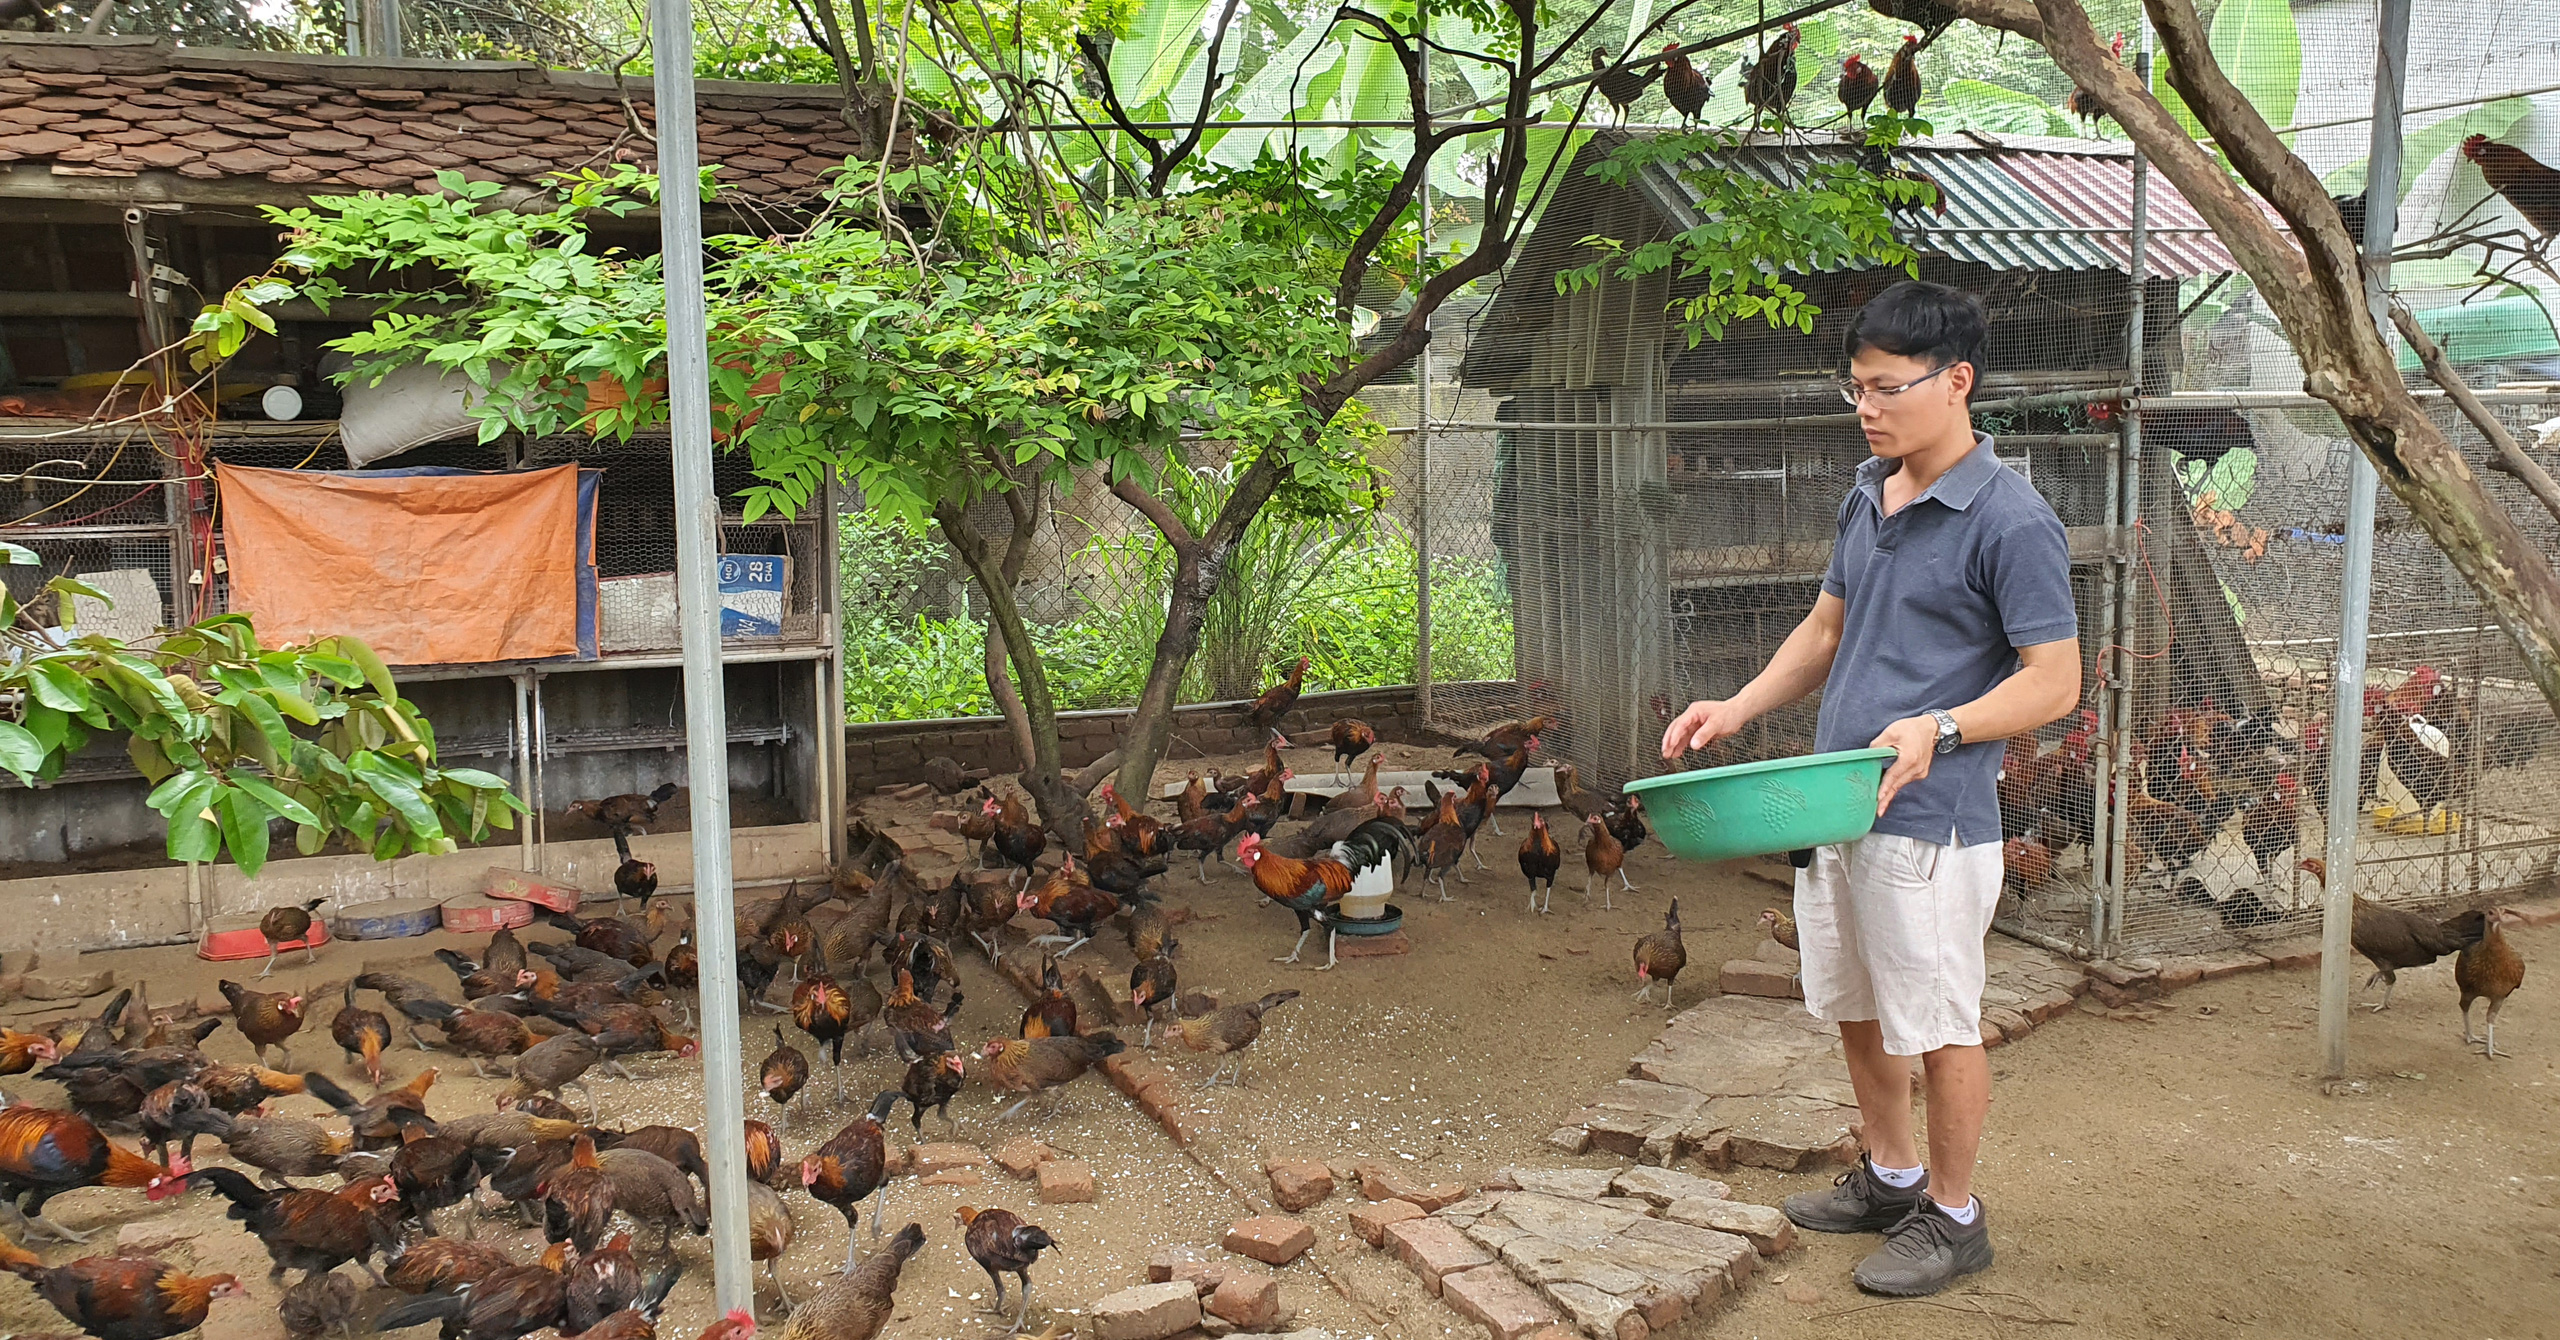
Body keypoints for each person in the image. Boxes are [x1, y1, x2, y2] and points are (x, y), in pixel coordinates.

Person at [1659, 280, 2080, 1298]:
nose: (1867, 406)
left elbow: (2054, 679)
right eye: (1857, 386)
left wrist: (1942, 725)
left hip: (1932, 820)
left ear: (1957, 381)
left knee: (1938, 1020)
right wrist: (1739, 704)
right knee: (1852, 1001)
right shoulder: (1869, 489)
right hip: (1835, 802)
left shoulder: (2010, 519)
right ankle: (1891, 1177)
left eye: (1887, 387)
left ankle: (1954, 1213)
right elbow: (1823, 630)